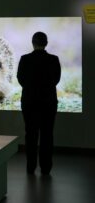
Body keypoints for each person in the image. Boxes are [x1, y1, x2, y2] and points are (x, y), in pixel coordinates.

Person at [17, 32, 61, 175]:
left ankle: (31, 167)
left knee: (31, 135)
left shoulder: (25, 59)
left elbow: (21, 79)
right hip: (48, 103)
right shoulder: (54, 60)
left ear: (33, 43)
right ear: (46, 43)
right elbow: (56, 79)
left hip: (29, 103)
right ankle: (46, 168)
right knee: (47, 135)